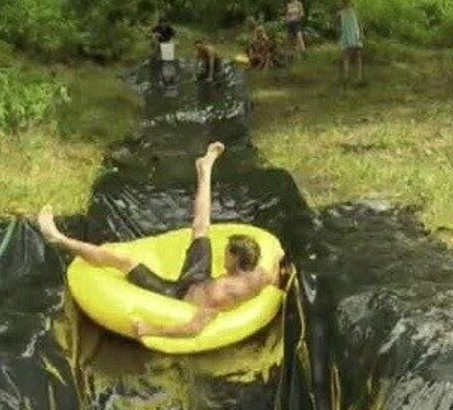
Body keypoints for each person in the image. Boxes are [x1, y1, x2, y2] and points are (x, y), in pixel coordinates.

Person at [37, 143, 276, 341]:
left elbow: (194, 328)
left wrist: (152, 330)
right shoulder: (260, 275)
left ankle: (57, 237)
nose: (223, 256)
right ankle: (206, 168)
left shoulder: (220, 293)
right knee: (201, 227)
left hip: (178, 294)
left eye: (227, 254)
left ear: (235, 258)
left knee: (124, 261)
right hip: (199, 280)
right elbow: (277, 263)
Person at [336, 0, 363, 83]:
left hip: (355, 35)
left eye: (341, 3)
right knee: (347, 56)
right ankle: (347, 77)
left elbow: (359, 23)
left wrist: (361, 34)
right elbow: (337, 24)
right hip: (346, 36)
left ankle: (358, 77)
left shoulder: (354, 11)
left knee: (356, 57)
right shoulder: (340, 14)